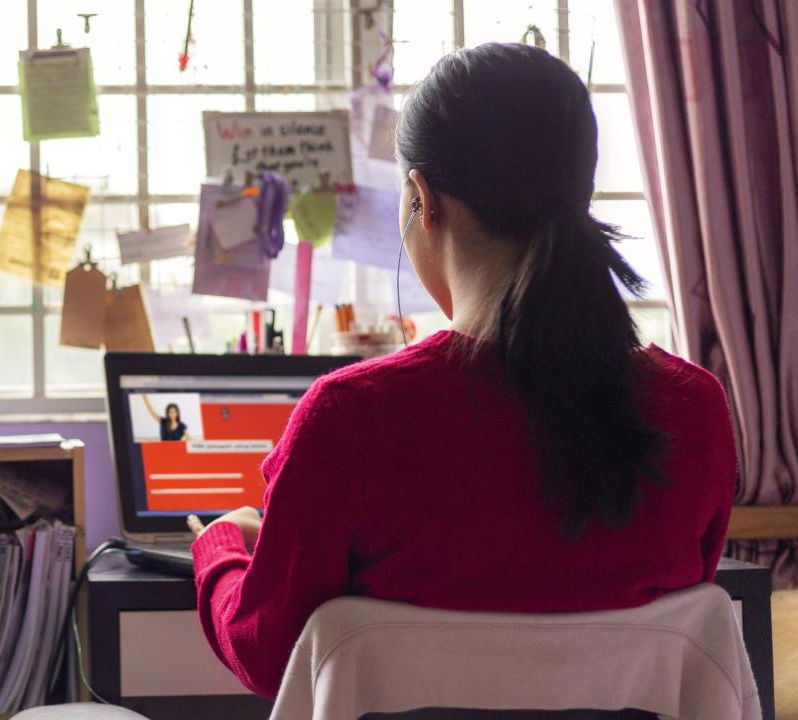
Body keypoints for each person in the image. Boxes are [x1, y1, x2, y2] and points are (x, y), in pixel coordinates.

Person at [186, 43, 738, 699]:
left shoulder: (351, 419)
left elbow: (268, 655)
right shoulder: (695, 410)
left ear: (423, 198)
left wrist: (219, 546)